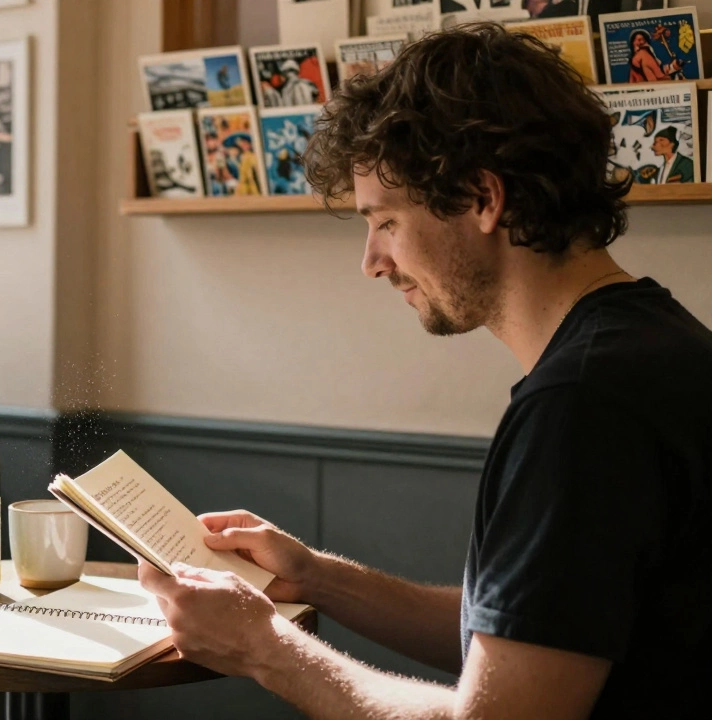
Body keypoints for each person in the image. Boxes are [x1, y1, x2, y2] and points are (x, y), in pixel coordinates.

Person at [139, 24, 711, 718]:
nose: (372, 262)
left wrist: (264, 649)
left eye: (384, 222)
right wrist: (318, 578)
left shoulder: (582, 406)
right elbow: (530, 633)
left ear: (481, 198)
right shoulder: (646, 345)